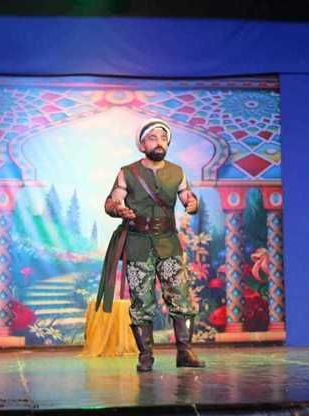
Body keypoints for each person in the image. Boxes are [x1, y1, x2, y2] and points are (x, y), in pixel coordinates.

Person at [96, 118, 205, 372]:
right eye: (153, 138)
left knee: (180, 297)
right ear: (142, 144)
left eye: (163, 138)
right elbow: (111, 202)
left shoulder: (177, 172)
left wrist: (193, 204)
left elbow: (188, 197)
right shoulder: (127, 172)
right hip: (138, 244)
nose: (159, 143)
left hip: (168, 244)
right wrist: (118, 209)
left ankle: (185, 351)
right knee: (141, 300)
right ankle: (145, 356)